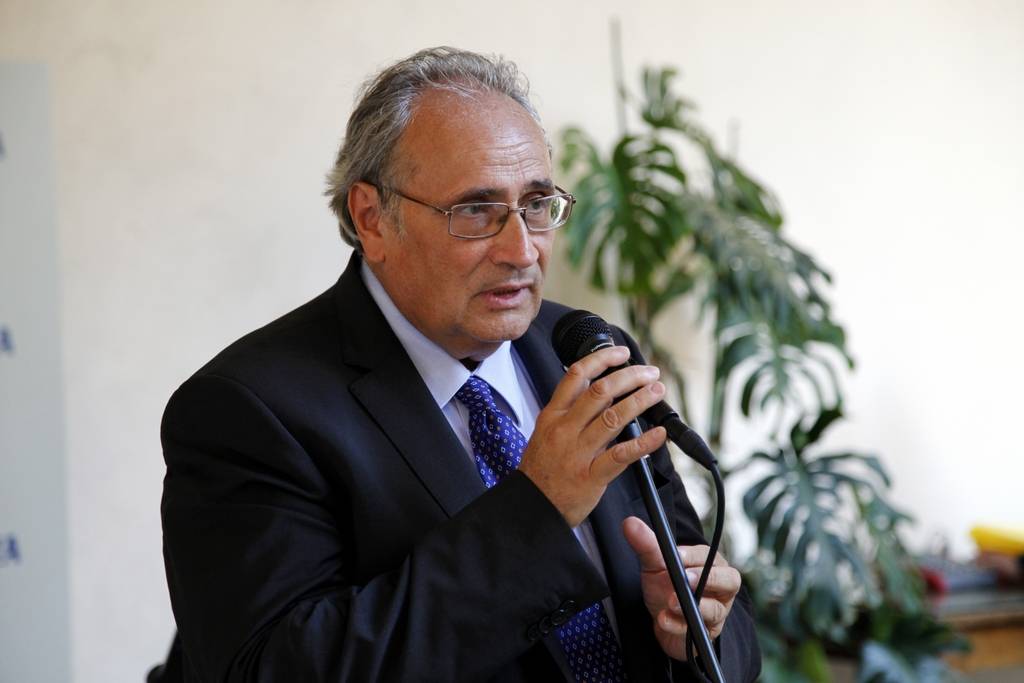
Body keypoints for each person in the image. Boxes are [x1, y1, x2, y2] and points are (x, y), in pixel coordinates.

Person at [160, 46, 760, 682]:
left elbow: (719, 625)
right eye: (475, 211)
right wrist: (538, 510)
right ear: (371, 218)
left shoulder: (590, 352)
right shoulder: (246, 410)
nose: (521, 250)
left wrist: (699, 632)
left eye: (537, 204)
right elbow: (277, 670)